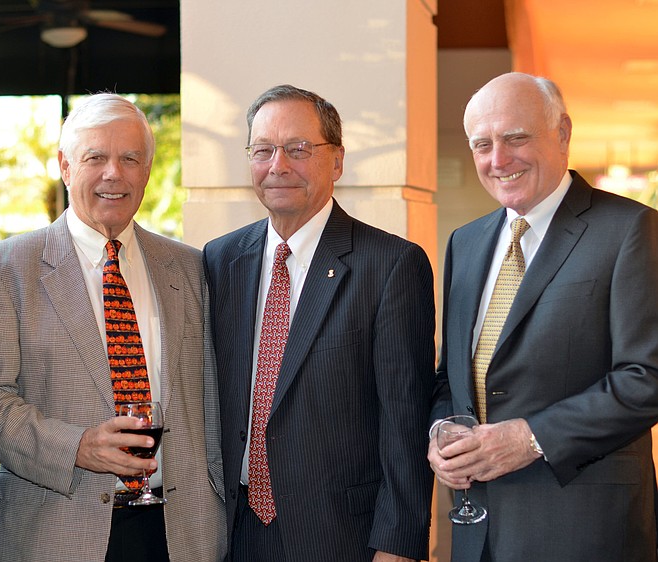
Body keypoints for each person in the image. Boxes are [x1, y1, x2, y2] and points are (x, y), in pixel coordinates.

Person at [0, 93, 225, 562]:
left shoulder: (191, 268)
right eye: (96, 157)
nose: (114, 173)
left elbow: (213, 399)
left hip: (180, 534)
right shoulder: (4, 269)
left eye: (130, 158)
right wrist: (78, 447)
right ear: (65, 166)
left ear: (147, 172)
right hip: (55, 532)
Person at [429, 72, 658, 562]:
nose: (498, 159)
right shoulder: (464, 244)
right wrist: (440, 435)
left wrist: (531, 438)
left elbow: (647, 378)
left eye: (515, 137)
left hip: (584, 530)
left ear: (562, 134)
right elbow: (452, 378)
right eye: (482, 144)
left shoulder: (631, 229)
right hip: (478, 533)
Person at [203, 84, 436, 562]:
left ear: (337, 161)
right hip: (235, 532)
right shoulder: (220, 260)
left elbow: (405, 421)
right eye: (263, 150)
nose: (278, 165)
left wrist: (397, 546)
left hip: (341, 537)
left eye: (299, 149)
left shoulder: (391, 265)